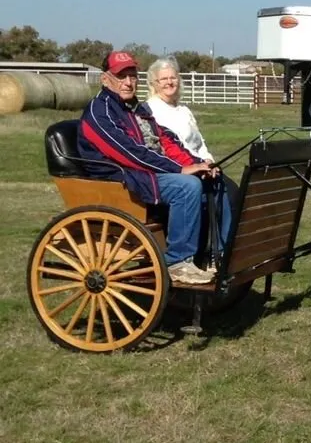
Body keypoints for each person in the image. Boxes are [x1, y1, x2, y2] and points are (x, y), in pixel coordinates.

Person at [76, 51, 232, 284]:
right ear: (105, 79)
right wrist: (179, 170)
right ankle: (178, 262)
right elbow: (129, 153)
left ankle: (220, 254)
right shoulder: (100, 112)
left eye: (132, 76)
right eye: (121, 76)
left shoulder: (135, 109)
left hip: (143, 173)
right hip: (121, 179)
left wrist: (195, 163)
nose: (128, 82)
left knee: (214, 180)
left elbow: (165, 140)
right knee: (186, 186)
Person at [144, 56, 241, 209]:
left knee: (232, 190)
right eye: (163, 79)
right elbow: (170, 147)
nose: (169, 82)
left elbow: (200, 143)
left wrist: (208, 160)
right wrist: (197, 166)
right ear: (154, 84)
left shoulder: (184, 111)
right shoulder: (151, 111)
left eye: (172, 78)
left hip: (201, 165)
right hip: (179, 169)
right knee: (225, 192)